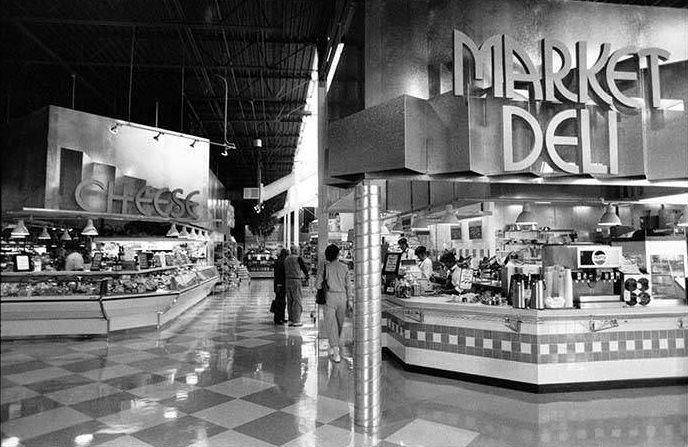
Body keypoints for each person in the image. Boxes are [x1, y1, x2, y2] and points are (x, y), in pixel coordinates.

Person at [317, 244, 352, 363]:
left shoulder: (325, 267)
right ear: (338, 254)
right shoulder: (345, 267)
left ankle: (335, 351)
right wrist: (350, 300)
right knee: (339, 324)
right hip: (342, 297)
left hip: (329, 297)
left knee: (331, 324)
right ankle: (334, 346)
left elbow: (318, 284)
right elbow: (349, 285)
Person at [284, 246, 310, 327]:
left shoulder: (286, 259)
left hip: (287, 280)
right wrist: (307, 275)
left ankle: (291, 319)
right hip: (296, 280)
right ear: (295, 250)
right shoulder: (298, 258)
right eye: (298, 250)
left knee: (290, 300)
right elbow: (304, 268)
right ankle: (297, 320)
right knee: (297, 300)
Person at [272, 248, 289, 325]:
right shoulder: (282, 263)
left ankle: (280, 317)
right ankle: (278, 319)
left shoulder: (278, 262)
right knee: (280, 302)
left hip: (277, 284)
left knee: (280, 301)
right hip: (281, 284)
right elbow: (281, 274)